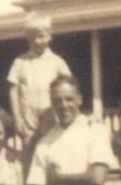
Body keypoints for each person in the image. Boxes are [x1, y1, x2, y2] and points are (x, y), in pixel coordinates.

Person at [26, 76, 117, 185]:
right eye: (57, 101)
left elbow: (97, 178)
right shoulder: (45, 142)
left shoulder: (96, 130)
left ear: (79, 99)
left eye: (69, 99)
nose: (63, 105)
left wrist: (59, 179)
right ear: (52, 104)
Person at [7, 12, 72, 146]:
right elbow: (13, 90)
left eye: (41, 36)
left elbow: (69, 87)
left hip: (51, 117)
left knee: (52, 148)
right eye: (32, 38)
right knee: (30, 150)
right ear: (28, 38)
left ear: (49, 36)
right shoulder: (20, 62)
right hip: (28, 120)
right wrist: (17, 117)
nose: (37, 41)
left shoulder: (57, 62)